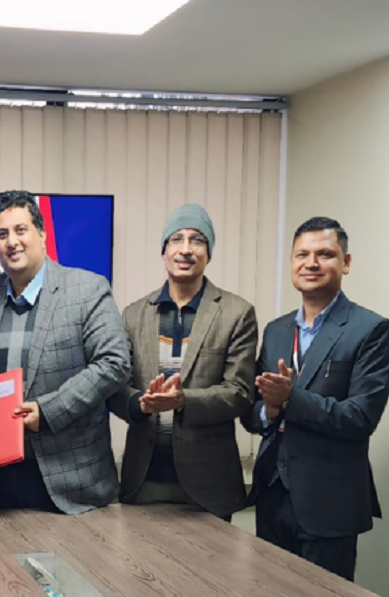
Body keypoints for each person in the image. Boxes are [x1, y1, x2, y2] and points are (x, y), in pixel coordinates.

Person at [0, 190, 131, 514]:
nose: (12, 242)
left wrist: (48, 412)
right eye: (2, 234)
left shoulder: (87, 289)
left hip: (67, 480)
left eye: (20, 230)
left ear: (42, 234)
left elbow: (114, 363)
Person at [245, 217, 389, 581]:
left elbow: (360, 418)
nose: (311, 263)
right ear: (292, 263)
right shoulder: (276, 330)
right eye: (302, 254)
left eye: (325, 254)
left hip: (329, 503)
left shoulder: (371, 329)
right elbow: (252, 413)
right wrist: (270, 409)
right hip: (272, 494)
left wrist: (290, 399)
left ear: (346, 263)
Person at [108, 204, 257, 520]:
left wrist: (183, 400)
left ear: (208, 252)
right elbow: (116, 386)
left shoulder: (237, 313)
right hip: (144, 478)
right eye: (176, 239)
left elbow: (240, 392)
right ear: (164, 251)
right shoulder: (133, 314)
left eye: (197, 240)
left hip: (209, 483)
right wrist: (140, 404)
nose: (186, 249)